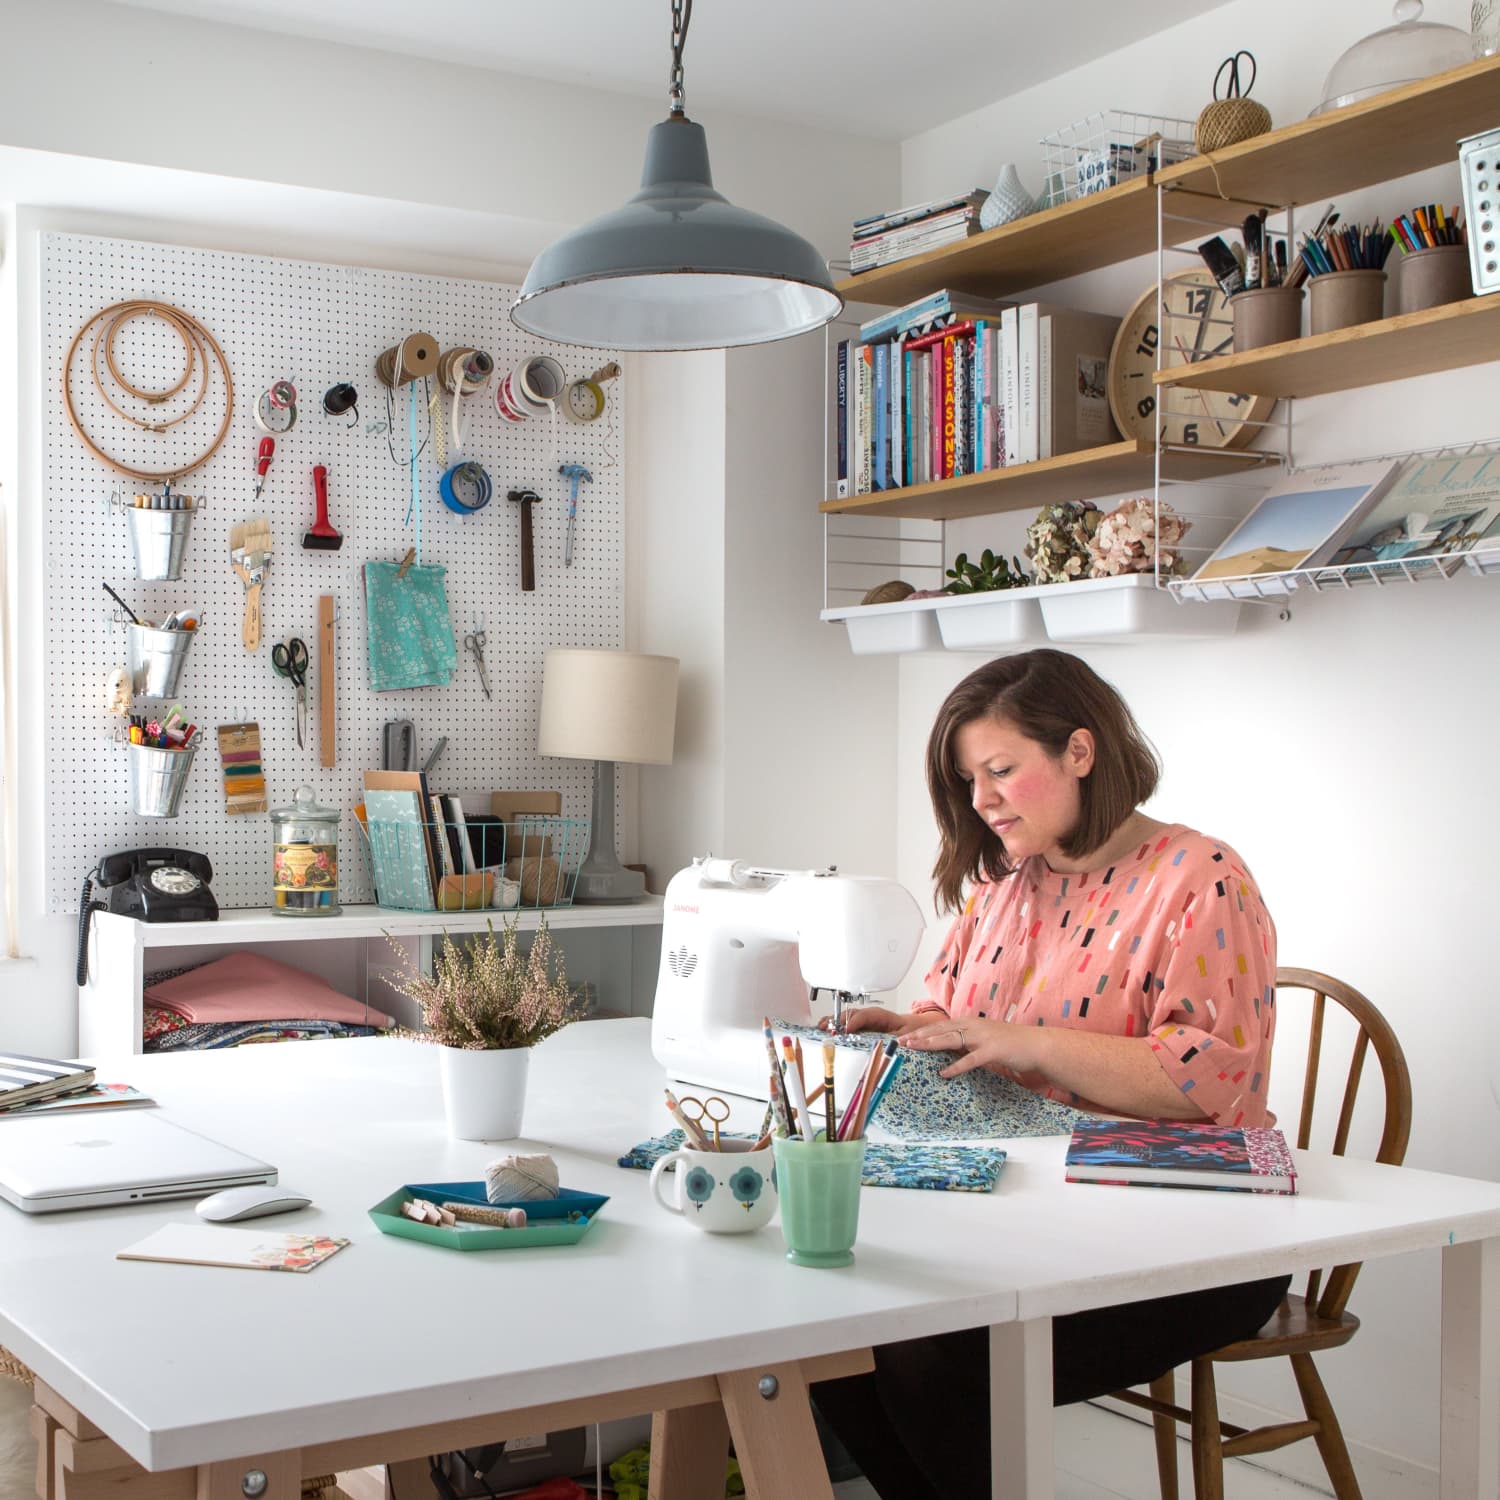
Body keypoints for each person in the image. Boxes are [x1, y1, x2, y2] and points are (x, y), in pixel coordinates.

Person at [812, 648, 1288, 1500]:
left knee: (930, 1352)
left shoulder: (1201, 878)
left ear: (1080, 750)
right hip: (1038, 1221)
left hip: (1194, 1240)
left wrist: (1024, 1040)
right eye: (967, 780)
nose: (980, 800)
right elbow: (969, 1025)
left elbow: (1205, 1082)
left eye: (1000, 770)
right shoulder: (1004, 883)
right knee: (819, 1334)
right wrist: (913, 1032)